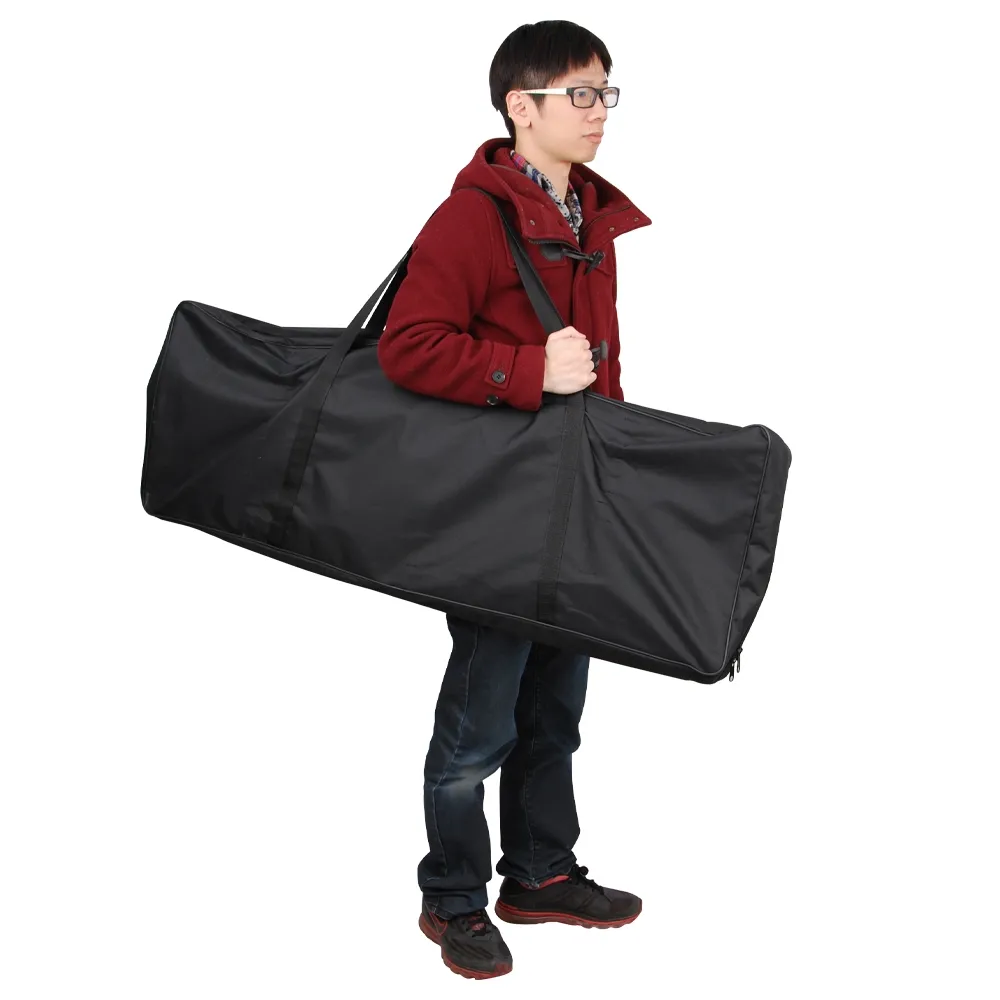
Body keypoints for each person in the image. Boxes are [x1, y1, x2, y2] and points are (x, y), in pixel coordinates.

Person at [377, 19, 651, 980]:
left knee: (556, 708)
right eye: (579, 93)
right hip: (495, 508)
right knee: (479, 720)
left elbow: (600, 370)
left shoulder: (588, 221)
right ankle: (453, 897)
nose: (599, 111)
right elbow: (408, 345)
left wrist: (616, 471)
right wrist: (529, 371)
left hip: (572, 504)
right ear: (519, 107)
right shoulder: (472, 217)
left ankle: (539, 874)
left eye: (606, 91)